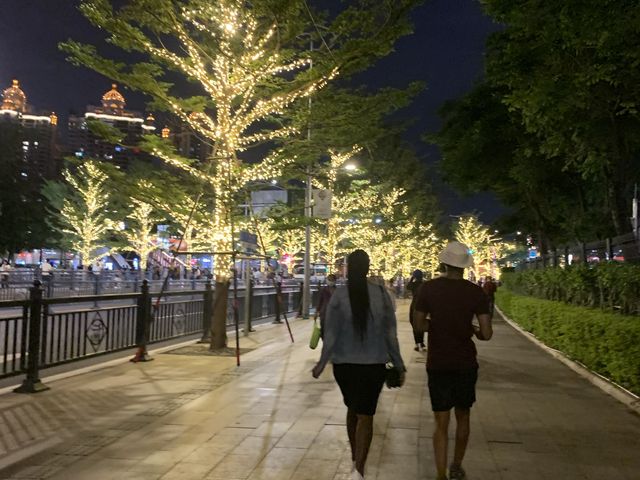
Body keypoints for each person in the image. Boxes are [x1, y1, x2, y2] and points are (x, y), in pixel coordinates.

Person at [312, 250, 405, 480]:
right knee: (367, 414)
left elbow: (330, 334)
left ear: (348, 267)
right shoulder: (381, 294)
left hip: (344, 365)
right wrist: (398, 363)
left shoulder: (339, 296)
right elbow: (390, 333)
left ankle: (356, 458)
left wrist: (322, 363)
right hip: (374, 364)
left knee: (353, 409)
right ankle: (359, 468)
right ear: (367, 267)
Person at [413, 242, 492, 480]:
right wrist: (472, 330)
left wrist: (437, 328)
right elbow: (486, 333)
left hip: (438, 362)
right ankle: (456, 465)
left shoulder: (428, 288)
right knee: (463, 415)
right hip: (465, 362)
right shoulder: (476, 292)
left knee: (441, 421)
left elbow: (418, 324)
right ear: (465, 266)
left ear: (443, 262)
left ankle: (440, 473)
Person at [407, 269, 426, 351]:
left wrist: (412, 278)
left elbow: (408, 287)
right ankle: (421, 342)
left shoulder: (414, 284)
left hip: (414, 304)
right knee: (421, 323)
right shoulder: (424, 284)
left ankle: (418, 343)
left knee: (414, 323)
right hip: (423, 305)